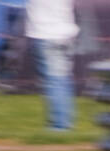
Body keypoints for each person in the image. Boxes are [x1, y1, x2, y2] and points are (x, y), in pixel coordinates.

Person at [26, 0, 79, 132]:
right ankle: (64, 121)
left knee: (55, 82)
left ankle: (60, 125)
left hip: (46, 35)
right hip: (66, 34)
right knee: (62, 80)